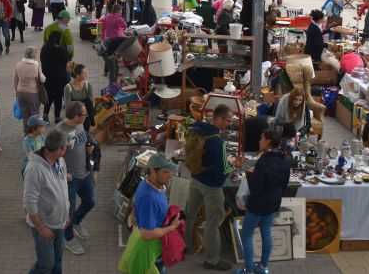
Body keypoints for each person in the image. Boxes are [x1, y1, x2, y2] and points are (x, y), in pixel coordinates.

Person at [184, 104, 235, 271]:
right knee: (212, 224)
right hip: (211, 187)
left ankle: (186, 245)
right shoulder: (218, 142)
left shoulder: (198, 129)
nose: (229, 124)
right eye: (228, 121)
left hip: (195, 179)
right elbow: (221, 172)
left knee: (190, 214)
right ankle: (211, 260)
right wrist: (232, 166)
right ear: (219, 119)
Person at [118, 152, 183, 274]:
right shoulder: (150, 198)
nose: (170, 175)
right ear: (153, 171)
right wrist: (171, 227)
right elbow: (146, 235)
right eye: (166, 172)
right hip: (150, 252)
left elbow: (135, 213)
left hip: (148, 245)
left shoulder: (147, 183)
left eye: (171, 171)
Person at [238, 129, 290, 274]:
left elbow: (255, 189)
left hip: (258, 204)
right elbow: (284, 183)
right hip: (273, 202)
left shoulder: (263, 162)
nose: (259, 141)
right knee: (266, 232)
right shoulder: (285, 159)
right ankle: (263, 267)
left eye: (261, 138)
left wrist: (249, 175)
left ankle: (248, 270)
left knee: (247, 233)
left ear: (267, 141)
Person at [23, 129, 70, 274]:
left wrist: (65, 215)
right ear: (59, 149)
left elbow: (64, 188)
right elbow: (29, 203)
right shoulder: (34, 169)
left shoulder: (60, 161)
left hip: (59, 223)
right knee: (46, 265)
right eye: (66, 147)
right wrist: (41, 229)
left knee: (57, 261)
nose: (67, 150)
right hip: (44, 226)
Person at [56, 101, 95, 256]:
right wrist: (63, 175)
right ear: (76, 117)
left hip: (85, 173)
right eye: (84, 114)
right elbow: (51, 158)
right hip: (70, 179)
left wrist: (88, 149)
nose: (87, 116)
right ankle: (68, 237)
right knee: (68, 212)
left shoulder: (80, 125)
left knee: (90, 202)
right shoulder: (59, 133)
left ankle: (76, 222)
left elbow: (81, 140)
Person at [41, 32, 70, 125]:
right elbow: (65, 63)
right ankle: (57, 117)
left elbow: (41, 60)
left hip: (47, 77)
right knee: (58, 98)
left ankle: (45, 115)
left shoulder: (44, 48)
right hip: (59, 78)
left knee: (48, 97)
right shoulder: (60, 50)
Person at [15, 46, 46, 130]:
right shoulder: (36, 66)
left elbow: (15, 81)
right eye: (36, 55)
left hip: (21, 93)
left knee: (25, 115)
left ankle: (26, 132)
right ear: (33, 56)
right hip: (33, 94)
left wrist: (17, 93)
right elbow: (42, 79)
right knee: (34, 114)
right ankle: (34, 132)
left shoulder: (18, 65)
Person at [64, 63, 94, 132]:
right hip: (74, 118)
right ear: (77, 75)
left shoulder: (88, 85)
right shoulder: (68, 88)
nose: (86, 75)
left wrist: (77, 104)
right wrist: (85, 102)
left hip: (86, 117)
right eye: (84, 73)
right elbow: (68, 106)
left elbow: (92, 101)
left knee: (85, 133)